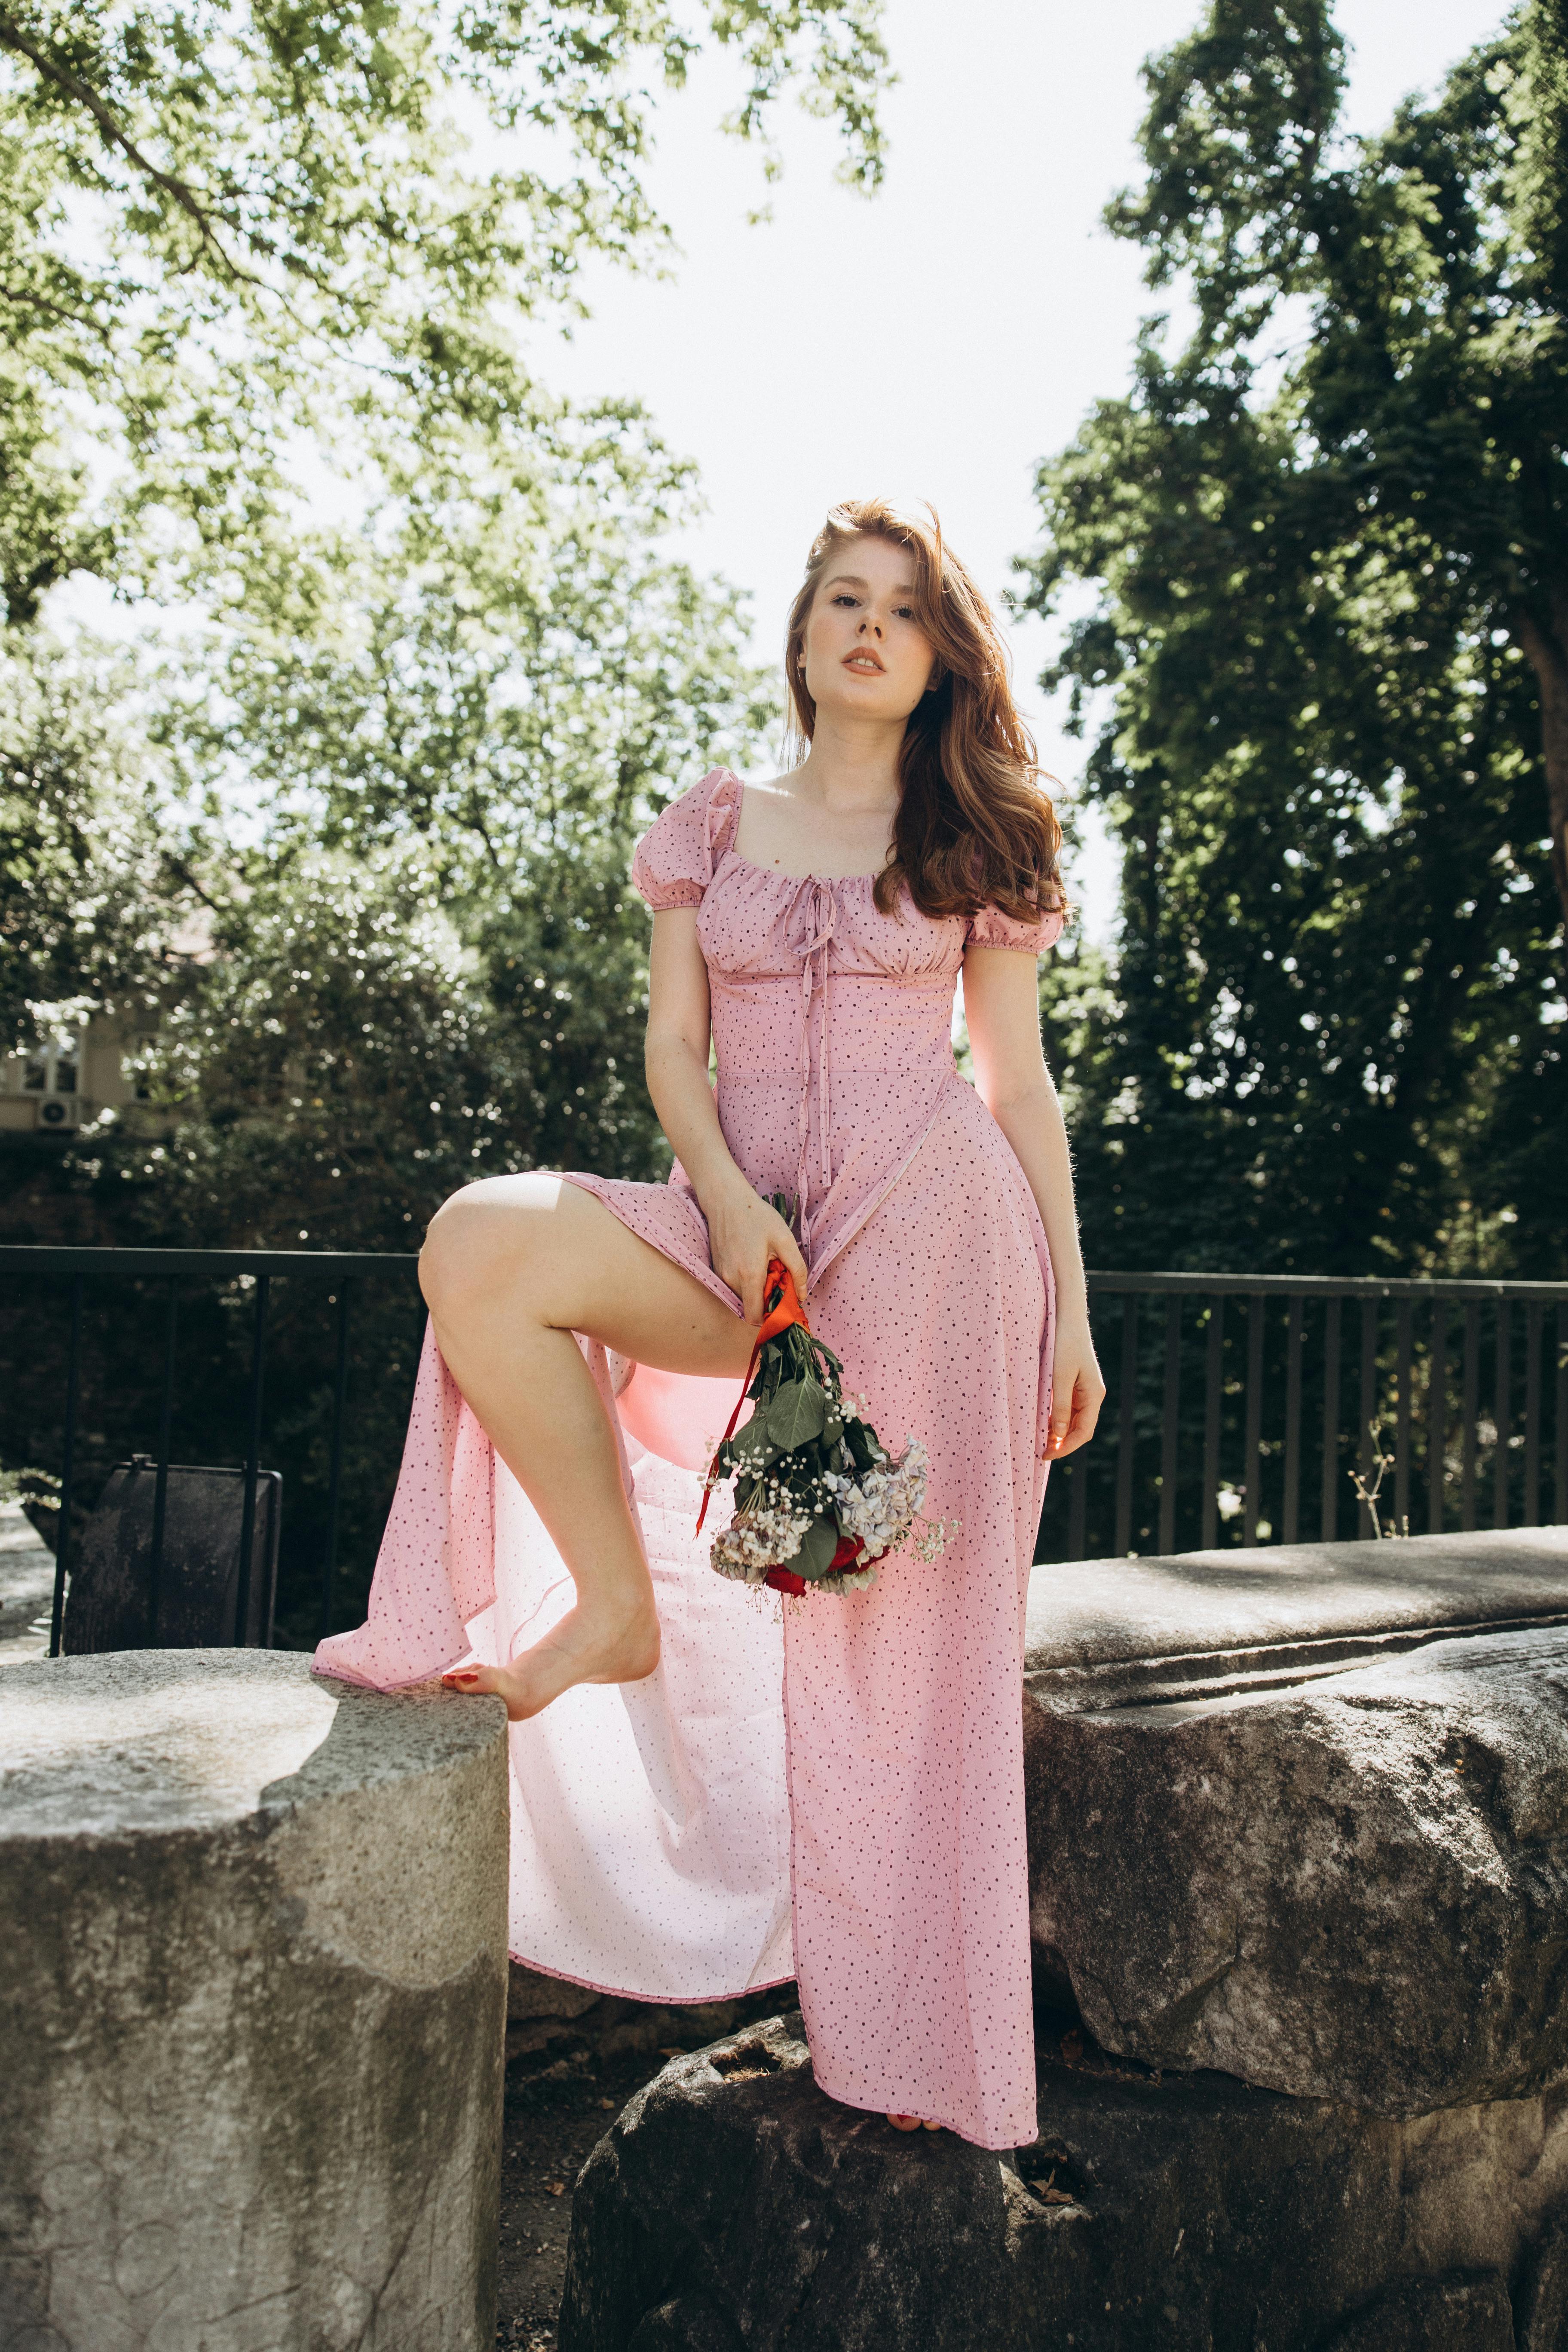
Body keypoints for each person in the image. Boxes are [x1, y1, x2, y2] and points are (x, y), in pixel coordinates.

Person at [315, 497, 1105, 2148]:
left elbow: (1018, 1086)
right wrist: (732, 1208)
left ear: (941, 653)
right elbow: (679, 1054)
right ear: (806, 633)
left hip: (941, 1249)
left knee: (913, 1664)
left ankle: (915, 2062)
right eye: (843, 600)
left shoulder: (978, 837)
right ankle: (616, 1602)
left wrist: (1075, 1317)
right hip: (736, 1237)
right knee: (481, 1248)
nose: (871, 628)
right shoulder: (712, 825)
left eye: (905, 609)